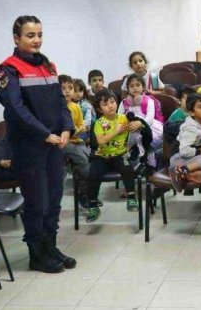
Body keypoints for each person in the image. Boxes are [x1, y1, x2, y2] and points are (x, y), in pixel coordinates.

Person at [0, 15, 75, 274]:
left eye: (39, 34)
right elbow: (16, 109)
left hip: (54, 145)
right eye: (30, 35)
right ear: (16, 38)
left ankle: (50, 248)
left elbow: (61, 102)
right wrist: (44, 134)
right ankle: (37, 255)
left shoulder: (48, 66)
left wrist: (66, 128)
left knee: (54, 201)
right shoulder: (7, 70)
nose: (37, 40)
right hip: (29, 147)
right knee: (37, 202)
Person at [85, 89, 138, 222]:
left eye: (112, 102)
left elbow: (139, 125)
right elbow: (101, 141)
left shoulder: (124, 118)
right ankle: (93, 205)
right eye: (105, 104)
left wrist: (138, 124)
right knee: (93, 173)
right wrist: (117, 131)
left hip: (120, 154)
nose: (110, 106)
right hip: (102, 156)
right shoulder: (99, 123)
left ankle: (131, 198)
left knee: (127, 168)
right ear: (99, 109)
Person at [118, 73, 164, 168]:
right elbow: (119, 118)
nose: (135, 88)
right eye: (132, 86)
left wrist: (140, 124)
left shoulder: (149, 100)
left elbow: (150, 118)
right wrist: (127, 126)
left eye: (138, 85)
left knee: (144, 137)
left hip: (147, 126)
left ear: (143, 87)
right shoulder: (124, 102)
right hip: (129, 127)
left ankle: (148, 156)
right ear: (128, 89)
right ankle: (133, 158)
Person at [58, 75, 91, 181]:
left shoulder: (76, 107)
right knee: (82, 159)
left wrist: (81, 129)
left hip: (77, 140)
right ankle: (87, 184)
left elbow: (80, 124)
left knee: (90, 156)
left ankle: (81, 183)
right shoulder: (55, 107)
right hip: (64, 143)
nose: (67, 91)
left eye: (70, 88)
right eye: (63, 88)